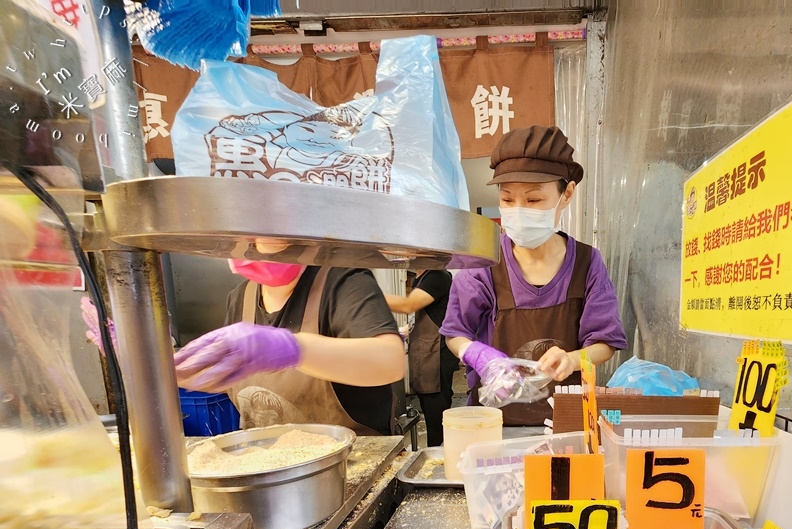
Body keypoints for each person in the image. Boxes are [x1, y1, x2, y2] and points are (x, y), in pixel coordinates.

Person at [440, 125, 627, 426]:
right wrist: (476, 353)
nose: (518, 211)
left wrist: (574, 358)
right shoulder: (484, 262)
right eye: (508, 200)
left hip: (567, 424)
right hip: (494, 423)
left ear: (566, 193)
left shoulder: (587, 263)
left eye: (534, 200)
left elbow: (605, 343)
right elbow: (455, 331)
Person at [174, 258, 405, 435]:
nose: (256, 242)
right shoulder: (239, 298)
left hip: (350, 473)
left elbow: (391, 361)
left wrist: (292, 349)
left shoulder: (345, 281)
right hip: (268, 475)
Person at [384, 270, 458, 447]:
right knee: (430, 411)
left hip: (436, 355)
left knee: (436, 417)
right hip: (426, 353)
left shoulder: (437, 275)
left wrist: (367, 293)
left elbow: (408, 305)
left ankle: (439, 458)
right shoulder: (422, 276)